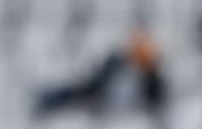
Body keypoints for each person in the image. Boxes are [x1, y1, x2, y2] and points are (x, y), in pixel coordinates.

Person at [34, 25, 166, 116]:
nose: (139, 52)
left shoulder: (153, 79)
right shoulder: (115, 63)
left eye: (143, 50)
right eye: (136, 47)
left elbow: (154, 102)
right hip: (101, 107)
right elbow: (95, 85)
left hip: (128, 115)